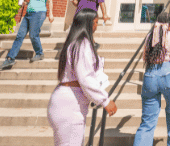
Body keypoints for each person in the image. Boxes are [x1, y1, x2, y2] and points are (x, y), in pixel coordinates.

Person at [47, 8, 117, 146]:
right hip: (70, 105)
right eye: (95, 22)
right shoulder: (82, 44)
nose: (96, 26)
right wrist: (105, 100)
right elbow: (86, 78)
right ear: (88, 23)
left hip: (65, 101)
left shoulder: (73, 43)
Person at [133, 11, 170, 146]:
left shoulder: (149, 36)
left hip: (150, 75)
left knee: (147, 121)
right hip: (167, 74)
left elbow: (144, 57)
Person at [0, 0, 54, 69]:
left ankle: (39, 53)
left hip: (39, 13)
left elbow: (50, 1)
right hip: (28, 14)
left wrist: (51, 14)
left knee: (33, 35)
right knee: (20, 35)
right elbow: (33, 1)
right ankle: (10, 59)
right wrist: (25, 4)